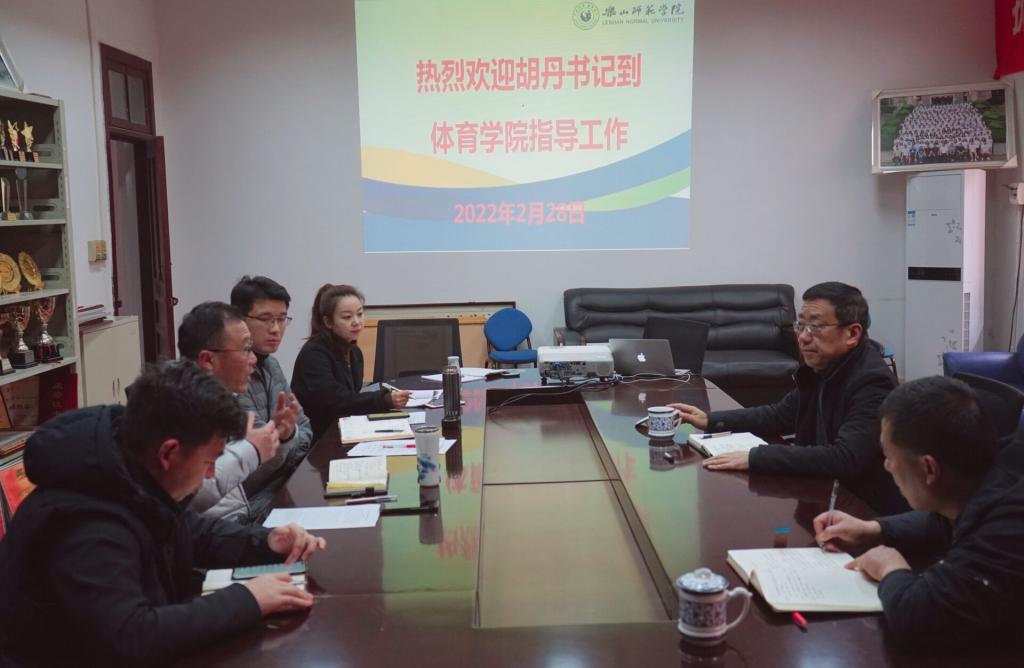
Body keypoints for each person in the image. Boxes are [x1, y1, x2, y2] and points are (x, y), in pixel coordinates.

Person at [0, 360, 326, 666]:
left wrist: (266, 542)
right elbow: (131, 637)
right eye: (209, 460)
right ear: (169, 452)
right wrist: (247, 599)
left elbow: (189, 531)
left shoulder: (130, 468)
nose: (211, 474)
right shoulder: (86, 521)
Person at [813, 376, 1024, 652]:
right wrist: (873, 529)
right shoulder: (993, 470)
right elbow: (948, 519)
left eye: (889, 456)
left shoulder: (1008, 524)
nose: (887, 466)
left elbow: (922, 618)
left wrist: (890, 568)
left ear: (929, 469)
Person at [669, 282, 908, 514]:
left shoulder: (872, 382)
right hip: (824, 497)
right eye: (800, 326)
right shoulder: (824, 367)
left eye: (815, 327)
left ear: (852, 333)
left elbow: (844, 457)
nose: (803, 337)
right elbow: (779, 415)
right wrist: (709, 420)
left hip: (864, 510)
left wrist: (756, 457)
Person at [178, 301, 280, 521]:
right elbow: (197, 492)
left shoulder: (219, 403)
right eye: (245, 350)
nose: (253, 359)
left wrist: (284, 436)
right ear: (208, 360)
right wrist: (252, 449)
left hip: (234, 526)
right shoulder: (179, 410)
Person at [230, 276, 312, 516]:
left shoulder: (272, 366)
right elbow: (260, 451)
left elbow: (304, 428)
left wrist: (285, 439)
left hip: (285, 483)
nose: (276, 329)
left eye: (282, 319)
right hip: (252, 502)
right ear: (239, 320)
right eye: (265, 319)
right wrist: (284, 439)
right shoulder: (231, 374)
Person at [291, 283, 411, 440]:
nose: (356, 321)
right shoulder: (313, 355)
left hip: (345, 431)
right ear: (328, 322)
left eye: (360, 314)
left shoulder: (354, 352)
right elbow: (337, 402)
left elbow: (351, 400)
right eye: (347, 317)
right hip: (318, 440)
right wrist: (384, 400)